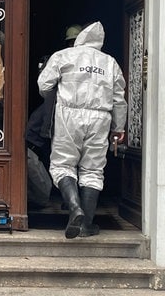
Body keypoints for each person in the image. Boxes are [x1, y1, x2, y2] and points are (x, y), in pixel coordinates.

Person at [37, 21, 127, 239]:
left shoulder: (63, 56)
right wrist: (119, 128)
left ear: (79, 39)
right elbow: (119, 99)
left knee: (62, 164)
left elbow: (43, 85)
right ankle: (86, 224)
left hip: (69, 114)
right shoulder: (110, 62)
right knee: (93, 170)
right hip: (100, 118)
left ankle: (74, 207)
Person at [26, 24, 83, 210]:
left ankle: (71, 203)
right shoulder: (93, 61)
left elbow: (44, 87)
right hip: (64, 121)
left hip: (59, 121)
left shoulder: (58, 59)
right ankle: (73, 203)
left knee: (65, 163)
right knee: (77, 165)